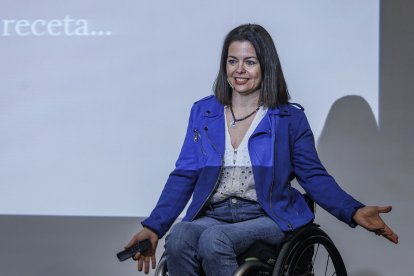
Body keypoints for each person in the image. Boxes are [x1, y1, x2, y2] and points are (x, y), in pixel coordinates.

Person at [125, 24, 399, 275]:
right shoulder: (204, 112)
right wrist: (154, 226)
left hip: (267, 215)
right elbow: (185, 173)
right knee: (180, 236)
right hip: (215, 214)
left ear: (266, 66)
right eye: (232, 61)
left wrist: (353, 210)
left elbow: (313, 176)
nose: (239, 69)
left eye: (250, 62)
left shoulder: (288, 119)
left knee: (213, 240)